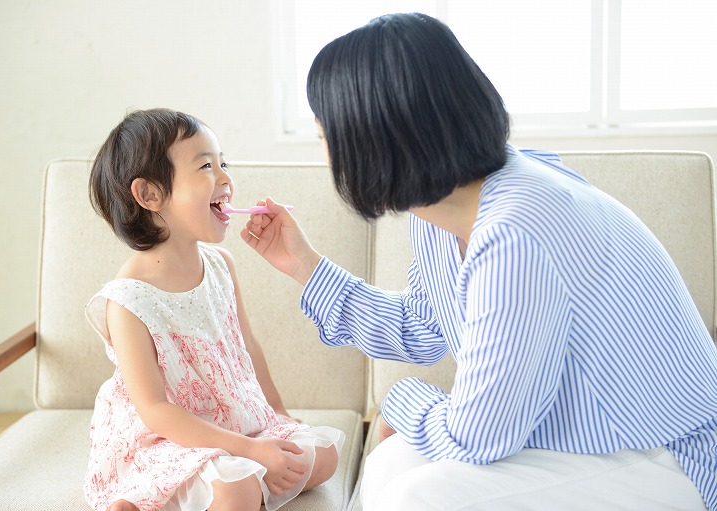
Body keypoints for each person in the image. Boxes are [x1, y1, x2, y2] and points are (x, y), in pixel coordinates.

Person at [240, 12, 717, 511]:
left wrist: (403, 401)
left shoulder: (516, 231)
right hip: (578, 443)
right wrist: (304, 266)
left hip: (663, 455)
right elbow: (422, 326)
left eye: (324, 137)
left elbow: (478, 437)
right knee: (391, 463)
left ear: (374, 140)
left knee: (417, 496)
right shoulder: (443, 210)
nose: (328, 159)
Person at [83, 108, 342, 511]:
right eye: (206, 166)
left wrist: (278, 414)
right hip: (173, 438)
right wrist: (251, 452)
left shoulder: (222, 266)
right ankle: (141, 496)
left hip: (238, 423)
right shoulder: (127, 301)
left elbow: (248, 348)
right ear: (150, 195)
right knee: (236, 491)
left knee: (325, 454)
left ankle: (221, 481)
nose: (225, 178)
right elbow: (155, 411)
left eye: (224, 163)